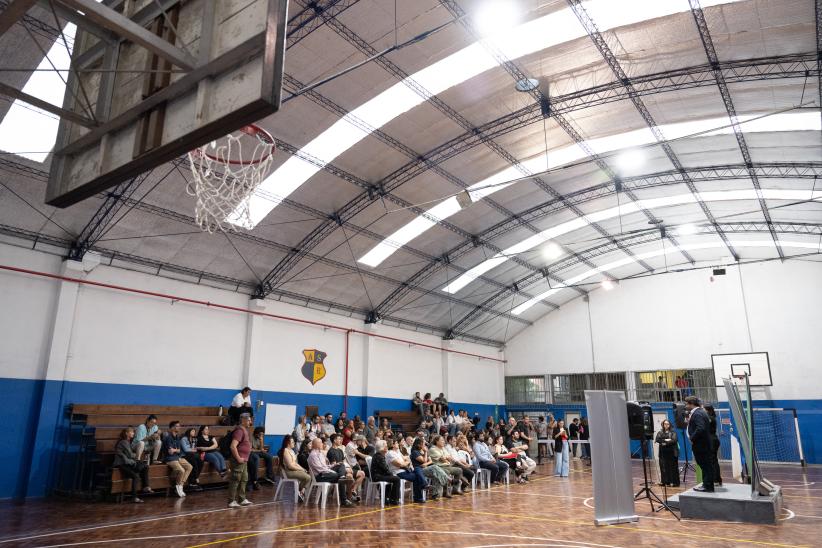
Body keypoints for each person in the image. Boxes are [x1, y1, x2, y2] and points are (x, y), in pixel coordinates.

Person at [308, 437, 354, 507]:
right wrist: (332, 472)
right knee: (339, 477)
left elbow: (324, 467)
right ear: (316, 444)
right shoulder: (313, 455)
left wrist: (333, 465)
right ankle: (344, 500)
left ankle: (342, 477)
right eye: (320, 443)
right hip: (320, 476)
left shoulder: (320, 454)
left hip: (326, 473)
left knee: (341, 465)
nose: (322, 444)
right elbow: (320, 469)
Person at [113, 427, 153, 502]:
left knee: (145, 467)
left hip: (127, 463)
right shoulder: (124, 442)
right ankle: (134, 497)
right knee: (136, 476)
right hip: (122, 464)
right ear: (126, 433)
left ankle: (145, 486)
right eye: (131, 432)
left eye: (133, 432)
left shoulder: (127, 442)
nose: (133, 433)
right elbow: (130, 455)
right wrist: (138, 455)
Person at [685, 396, 714, 492]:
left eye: (687, 404)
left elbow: (700, 428)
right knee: (705, 465)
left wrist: (692, 438)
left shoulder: (697, 413)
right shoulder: (700, 412)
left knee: (705, 465)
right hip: (703, 444)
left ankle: (708, 486)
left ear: (691, 404)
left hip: (701, 445)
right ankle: (706, 484)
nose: (686, 405)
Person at [387, 438, 426, 503]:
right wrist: (407, 462)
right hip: (397, 472)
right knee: (417, 476)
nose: (398, 444)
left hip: (404, 470)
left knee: (417, 472)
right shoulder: (390, 453)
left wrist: (406, 461)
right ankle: (419, 495)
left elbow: (406, 458)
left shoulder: (398, 451)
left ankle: (420, 493)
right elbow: (400, 464)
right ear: (392, 445)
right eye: (396, 443)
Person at [227, 413, 254, 508]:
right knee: (235, 479)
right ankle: (231, 501)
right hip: (238, 460)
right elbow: (233, 446)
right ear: (243, 420)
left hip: (244, 460)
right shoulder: (239, 431)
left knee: (244, 479)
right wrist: (238, 458)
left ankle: (242, 499)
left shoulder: (244, 430)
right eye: (249, 420)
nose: (250, 422)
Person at [163, 421, 193, 498]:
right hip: (170, 459)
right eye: (177, 426)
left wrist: (175, 450)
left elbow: (179, 450)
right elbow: (170, 452)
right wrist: (175, 450)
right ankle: (177, 486)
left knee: (189, 467)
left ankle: (180, 485)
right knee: (181, 470)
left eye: (179, 426)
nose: (179, 427)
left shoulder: (177, 437)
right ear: (172, 427)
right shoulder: (168, 438)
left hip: (177, 457)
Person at [278, 434, 311, 500]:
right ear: (288, 442)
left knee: (308, 476)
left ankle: (300, 492)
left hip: (293, 470)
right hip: (288, 472)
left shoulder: (292, 451)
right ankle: (300, 491)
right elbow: (290, 466)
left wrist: (302, 469)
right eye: (292, 442)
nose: (294, 443)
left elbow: (295, 463)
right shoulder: (285, 451)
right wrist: (301, 470)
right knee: (308, 477)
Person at [371, 439, 401, 504]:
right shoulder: (379, 456)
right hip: (377, 476)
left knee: (392, 477)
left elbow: (386, 469)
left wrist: (391, 474)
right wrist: (392, 475)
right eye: (385, 446)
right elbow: (386, 469)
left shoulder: (379, 455)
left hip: (380, 475)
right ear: (381, 448)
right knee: (396, 479)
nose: (387, 447)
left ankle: (388, 498)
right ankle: (394, 499)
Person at [655, 419, 680, 487]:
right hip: (663, 452)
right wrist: (666, 440)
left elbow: (674, 440)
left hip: (672, 452)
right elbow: (657, 439)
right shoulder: (660, 432)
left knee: (673, 468)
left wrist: (664, 443)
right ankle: (665, 482)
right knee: (664, 467)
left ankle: (674, 482)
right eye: (665, 424)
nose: (666, 425)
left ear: (670, 425)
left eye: (667, 424)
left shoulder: (673, 432)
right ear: (663, 425)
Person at [703, 404, 723, 487]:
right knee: (714, 460)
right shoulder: (710, 417)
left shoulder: (709, 418)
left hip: (712, 440)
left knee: (712, 461)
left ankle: (715, 480)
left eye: (703, 409)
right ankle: (717, 479)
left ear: (707, 410)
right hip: (713, 440)